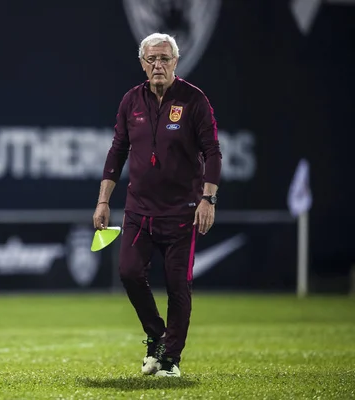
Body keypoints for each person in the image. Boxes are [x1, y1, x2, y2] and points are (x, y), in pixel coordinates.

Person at [93, 32, 222, 377]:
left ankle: (170, 358)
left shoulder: (193, 100)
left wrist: (208, 198)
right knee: (129, 273)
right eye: (151, 59)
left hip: (181, 212)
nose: (158, 65)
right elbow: (117, 151)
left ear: (176, 62)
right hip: (138, 211)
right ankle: (156, 336)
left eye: (164, 58)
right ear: (142, 64)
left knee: (178, 286)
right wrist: (103, 201)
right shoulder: (130, 101)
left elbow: (212, 152)